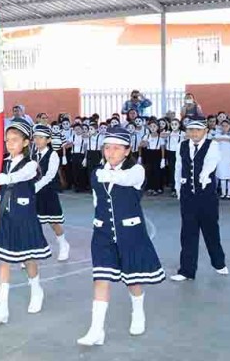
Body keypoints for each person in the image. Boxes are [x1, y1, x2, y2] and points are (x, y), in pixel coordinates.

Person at [77, 126, 165, 346]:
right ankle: (96, 329)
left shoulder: (137, 170)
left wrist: (103, 173)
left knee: (131, 279)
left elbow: (124, 179)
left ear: (127, 150)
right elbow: (98, 200)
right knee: (101, 278)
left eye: (117, 148)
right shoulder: (97, 171)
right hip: (103, 233)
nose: (111, 152)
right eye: (107, 148)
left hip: (130, 233)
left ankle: (138, 310)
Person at [0, 120, 50, 326]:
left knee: (30, 259)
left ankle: (36, 290)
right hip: (6, 218)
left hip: (25, 218)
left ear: (25, 142)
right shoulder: (2, 162)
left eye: (15, 140)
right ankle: (2, 308)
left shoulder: (31, 164)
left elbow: (22, 176)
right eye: (7, 140)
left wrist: (3, 178)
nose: (10, 144)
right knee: (4, 261)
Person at [171, 117, 228, 282]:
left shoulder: (213, 145)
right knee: (188, 232)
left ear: (205, 131)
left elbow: (212, 161)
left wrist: (204, 175)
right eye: (191, 130)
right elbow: (178, 168)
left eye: (197, 130)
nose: (194, 133)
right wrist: (178, 188)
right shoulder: (181, 146)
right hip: (188, 196)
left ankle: (219, 263)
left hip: (206, 196)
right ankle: (186, 271)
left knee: (211, 230)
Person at [33, 124, 70, 261]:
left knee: (53, 222)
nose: (37, 140)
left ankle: (63, 245)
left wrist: (36, 187)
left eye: (41, 138)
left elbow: (49, 176)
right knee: (33, 223)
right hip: (34, 193)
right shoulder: (32, 153)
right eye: (36, 137)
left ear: (48, 140)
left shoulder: (53, 154)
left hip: (48, 192)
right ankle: (32, 254)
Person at [140, 119, 165, 196]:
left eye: (154, 126)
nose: (153, 128)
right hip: (148, 154)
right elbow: (141, 145)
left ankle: (157, 188)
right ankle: (149, 188)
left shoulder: (160, 137)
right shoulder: (146, 136)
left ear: (157, 127)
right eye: (151, 126)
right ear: (148, 127)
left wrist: (163, 159)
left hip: (157, 154)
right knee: (149, 171)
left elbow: (162, 148)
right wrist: (144, 144)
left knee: (157, 171)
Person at [215, 119, 230, 199]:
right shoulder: (217, 135)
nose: (224, 127)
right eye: (223, 126)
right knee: (222, 176)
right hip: (220, 159)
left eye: (226, 126)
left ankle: (229, 194)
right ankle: (223, 193)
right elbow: (214, 144)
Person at [165, 118, 184, 197]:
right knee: (172, 171)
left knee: (180, 170)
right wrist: (170, 134)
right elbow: (162, 135)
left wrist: (179, 135)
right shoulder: (168, 132)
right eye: (172, 124)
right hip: (170, 153)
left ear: (179, 125)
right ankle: (174, 188)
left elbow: (188, 137)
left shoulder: (182, 133)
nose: (174, 126)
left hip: (180, 153)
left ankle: (181, 188)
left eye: (176, 124)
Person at [71, 123, 88, 192]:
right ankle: (76, 186)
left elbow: (86, 147)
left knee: (82, 171)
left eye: (79, 129)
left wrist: (85, 157)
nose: (77, 131)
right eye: (75, 129)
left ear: (82, 129)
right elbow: (67, 144)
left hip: (81, 155)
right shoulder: (72, 136)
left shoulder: (85, 137)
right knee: (75, 171)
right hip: (74, 155)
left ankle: (83, 186)